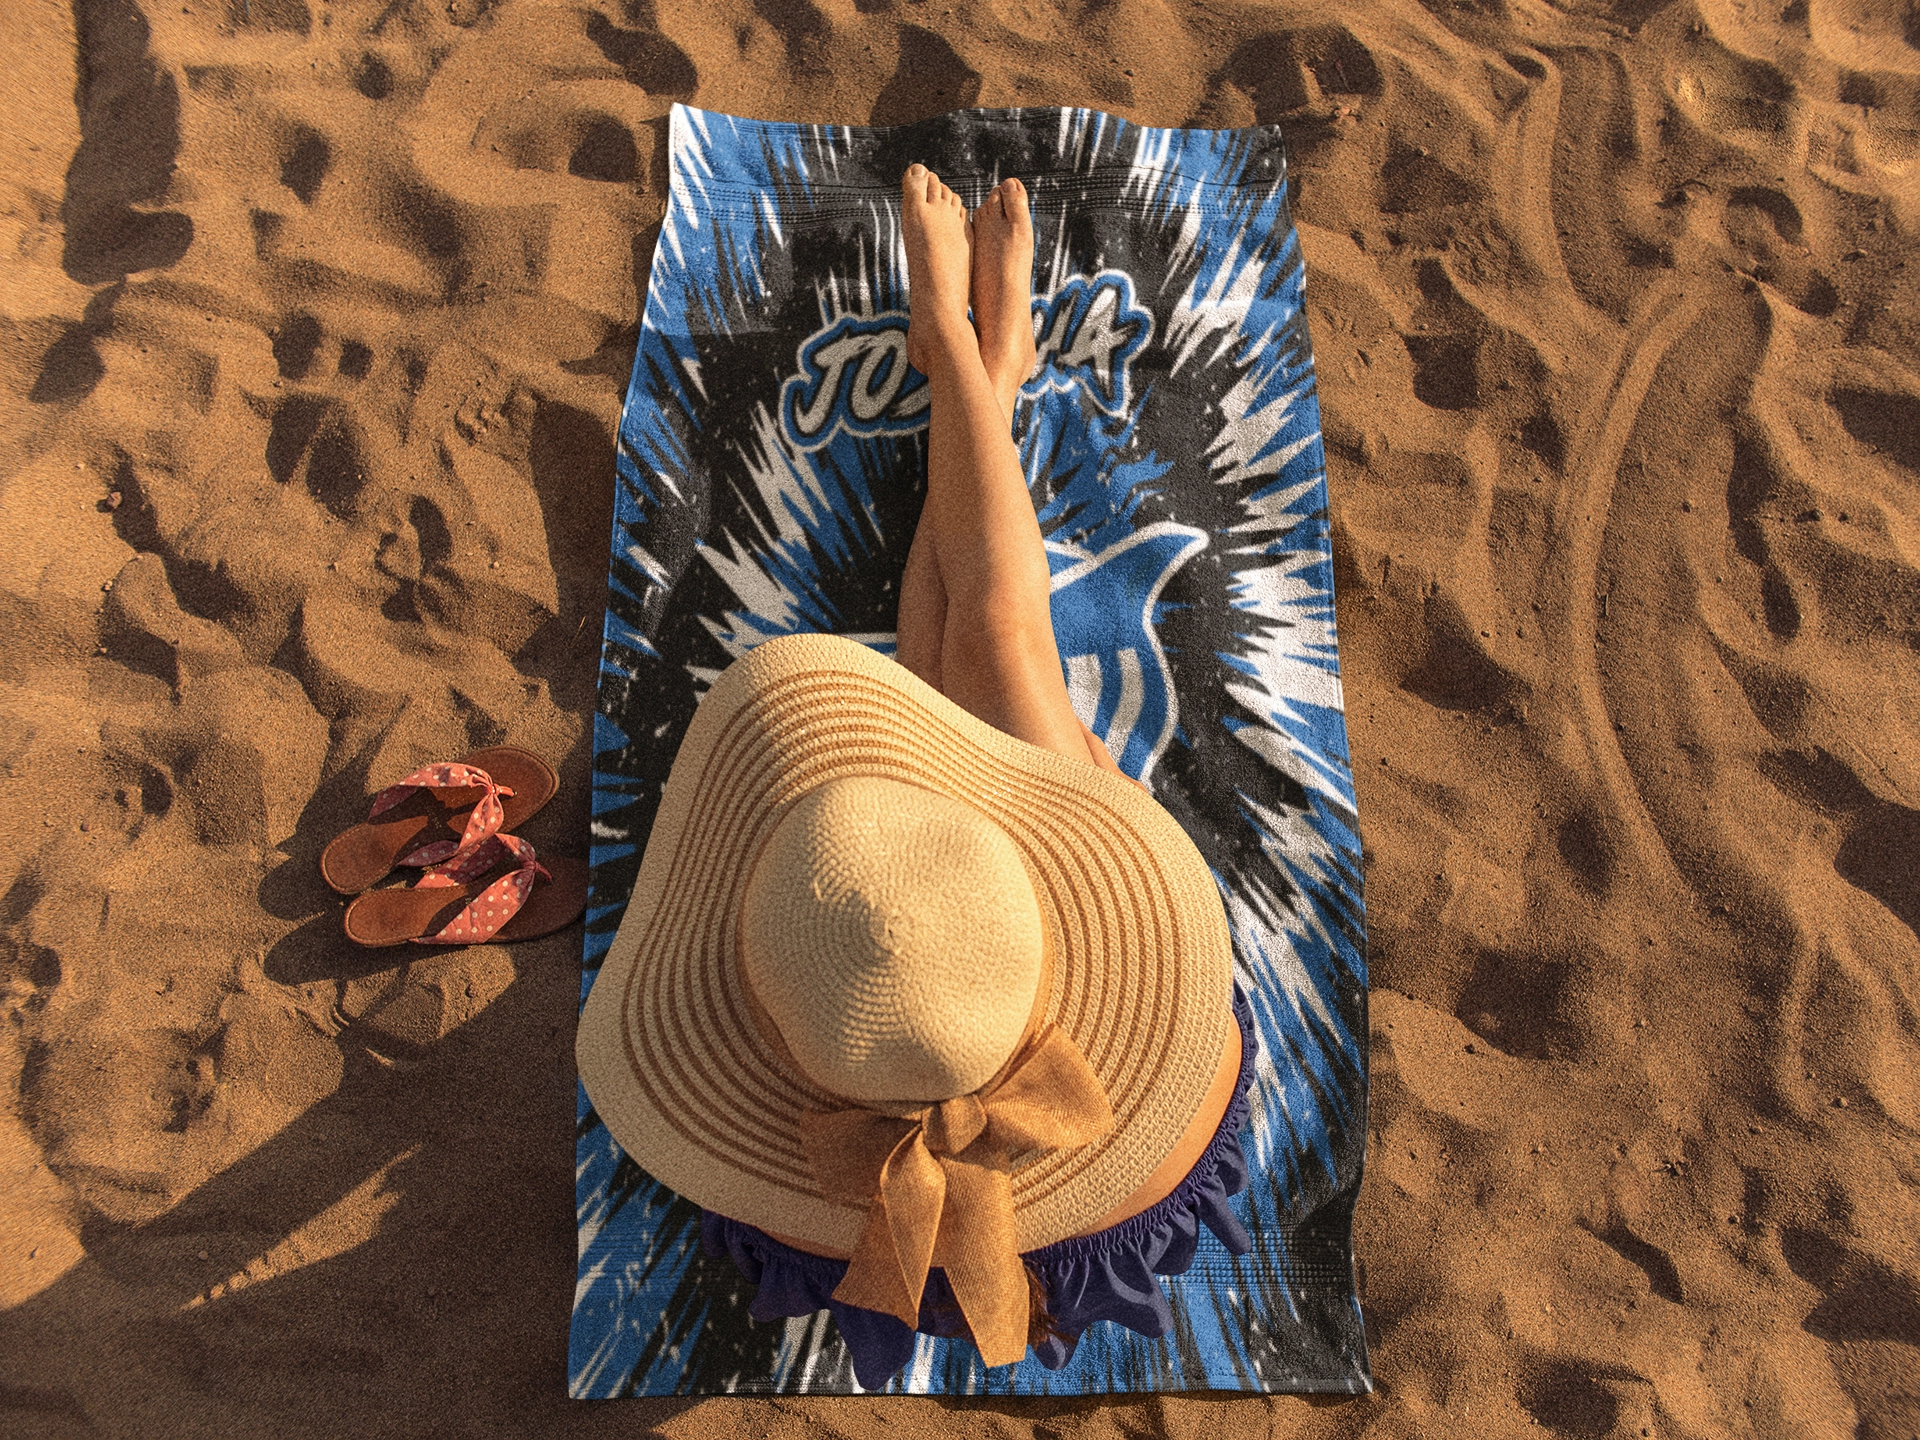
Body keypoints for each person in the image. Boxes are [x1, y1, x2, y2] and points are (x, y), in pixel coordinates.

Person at [576, 167, 1254, 1386]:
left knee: (942, 668)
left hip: (938, 998)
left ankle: (970, 364)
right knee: (993, 644)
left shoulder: (792, 1182)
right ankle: (975, 366)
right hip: (1065, 1065)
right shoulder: (1142, 1105)